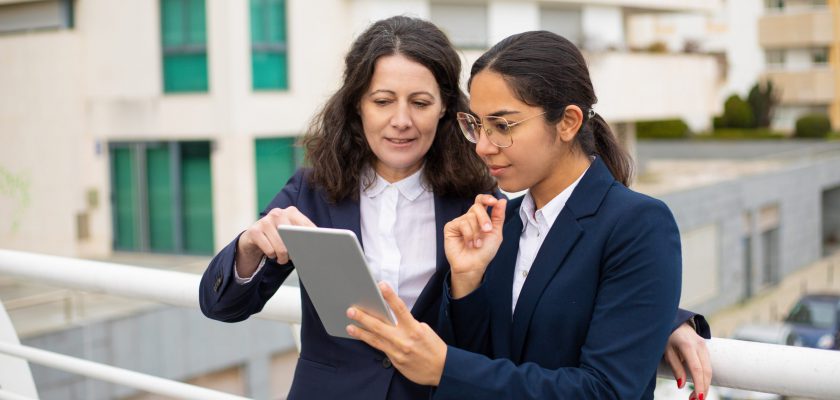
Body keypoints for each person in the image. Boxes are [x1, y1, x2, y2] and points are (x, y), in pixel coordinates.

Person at [199, 17, 709, 400]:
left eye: (420, 103)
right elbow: (223, 305)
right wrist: (248, 246)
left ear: (446, 109)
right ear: (356, 105)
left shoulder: (485, 195)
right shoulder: (314, 190)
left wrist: (664, 318)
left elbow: (567, 266)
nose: (401, 121)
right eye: (382, 101)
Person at [345, 30, 710, 400]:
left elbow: (607, 391)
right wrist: (466, 281)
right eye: (478, 126)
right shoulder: (504, 222)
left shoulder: (638, 224)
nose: (484, 147)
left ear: (567, 122)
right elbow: (483, 361)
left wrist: (445, 367)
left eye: (502, 126)